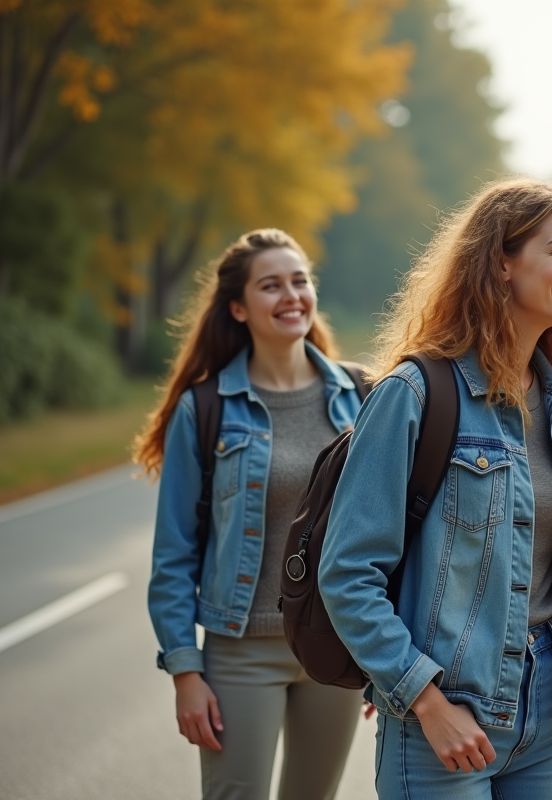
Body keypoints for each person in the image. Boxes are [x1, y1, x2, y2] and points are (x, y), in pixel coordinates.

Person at [317, 178, 552, 800]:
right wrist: (425, 702)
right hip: (445, 723)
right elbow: (348, 572)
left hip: (548, 721)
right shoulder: (415, 394)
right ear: (501, 262)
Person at [137, 229, 367, 800]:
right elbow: (174, 554)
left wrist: (385, 655)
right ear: (239, 308)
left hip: (334, 644)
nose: (291, 295)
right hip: (241, 651)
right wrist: (185, 674)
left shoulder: (362, 396)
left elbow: (384, 537)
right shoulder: (205, 408)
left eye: (299, 280)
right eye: (271, 285)